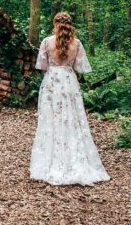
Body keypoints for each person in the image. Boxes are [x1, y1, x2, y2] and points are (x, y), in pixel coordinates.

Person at [30, 12, 110, 186]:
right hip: (69, 82)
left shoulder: (46, 42)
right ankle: (74, 158)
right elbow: (80, 68)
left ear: (54, 23)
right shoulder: (77, 43)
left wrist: (54, 65)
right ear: (69, 24)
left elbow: (42, 66)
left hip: (52, 82)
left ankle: (51, 159)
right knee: (72, 119)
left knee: (51, 120)